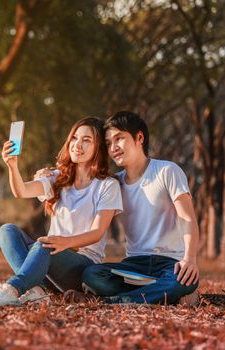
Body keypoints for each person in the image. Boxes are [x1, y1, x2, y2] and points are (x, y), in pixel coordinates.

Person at [0, 117, 123, 306]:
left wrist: (64, 243)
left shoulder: (107, 185)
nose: (77, 145)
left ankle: (13, 288)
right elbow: (21, 191)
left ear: (99, 148)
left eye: (86, 140)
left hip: (81, 266)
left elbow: (97, 233)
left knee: (45, 245)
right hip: (48, 259)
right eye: (74, 138)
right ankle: (36, 290)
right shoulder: (58, 178)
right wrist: (12, 166)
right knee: (7, 230)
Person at [80, 111, 200, 305]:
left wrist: (190, 259)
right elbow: (79, 186)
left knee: (182, 281)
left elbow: (188, 218)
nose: (113, 148)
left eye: (119, 139)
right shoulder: (113, 183)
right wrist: (53, 175)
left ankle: (114, 302)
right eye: (109, 143)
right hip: (134, 265)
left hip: (170, 263)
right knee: (92, 274)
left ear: (139, 138)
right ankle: (159, 295)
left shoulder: (167, 171)